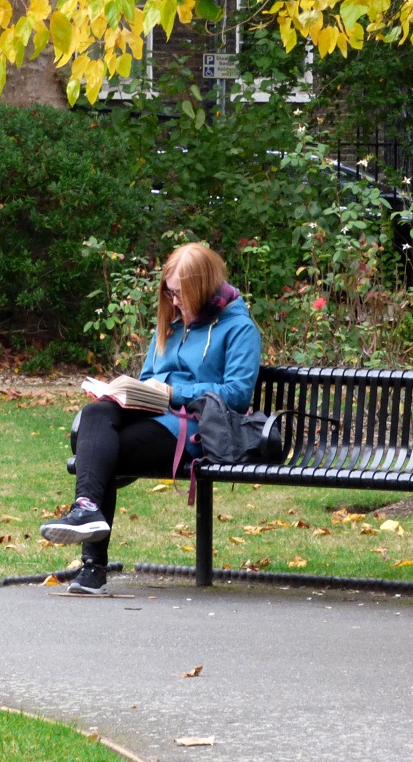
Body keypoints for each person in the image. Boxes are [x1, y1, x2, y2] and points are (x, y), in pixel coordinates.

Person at [40, 242, 262, 594]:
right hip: (151, 413)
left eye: (180, 294)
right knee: (97, 412)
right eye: (169, 293)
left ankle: (92, 567)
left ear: (202, 289)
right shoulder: (171, 322)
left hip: (190, 428)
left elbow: (236, 394)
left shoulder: (239, 328)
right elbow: (148, 377)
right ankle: (85, 509)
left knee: (101, 453)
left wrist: (174, 391)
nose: (174, 302)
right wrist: (129, 391)